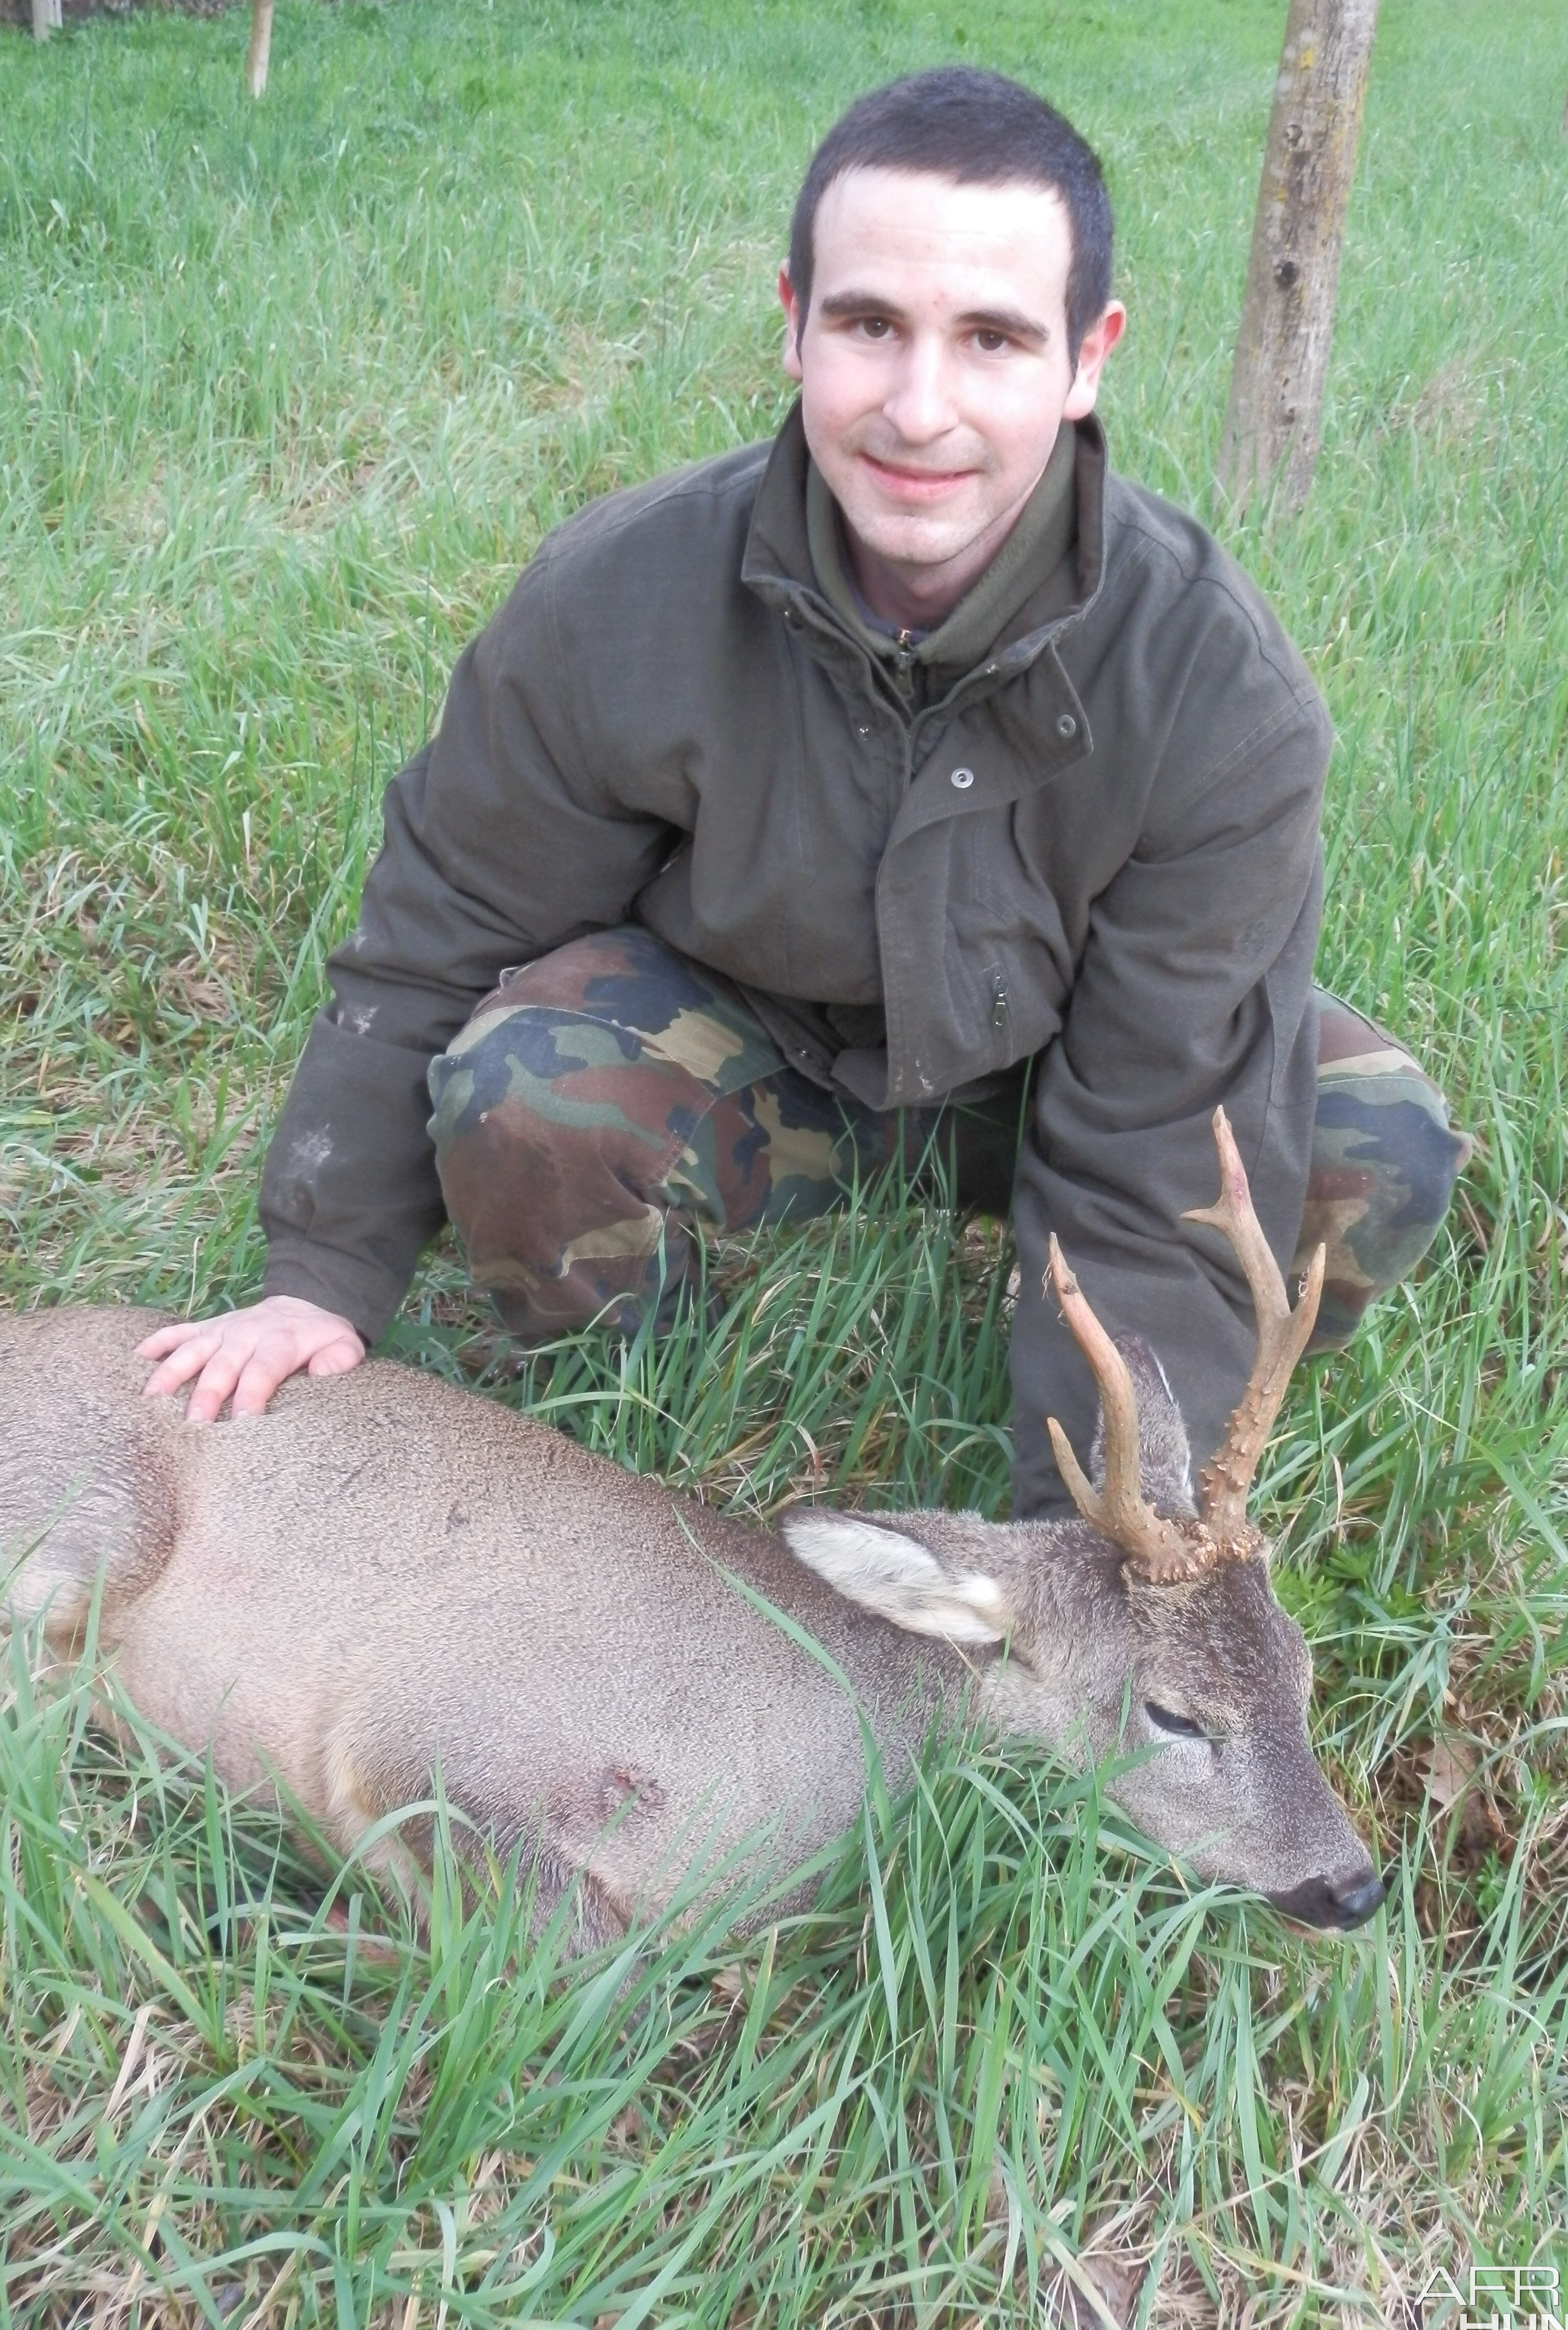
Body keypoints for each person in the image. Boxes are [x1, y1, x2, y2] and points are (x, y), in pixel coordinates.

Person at [138, 68, 1469, 1519]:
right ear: (792, 321)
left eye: (993, 340)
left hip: (1052, 1072)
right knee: (521, 1094)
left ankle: (1069, 1346)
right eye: (869, 326)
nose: (919, 408)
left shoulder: (1216, 689)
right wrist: (318, 1276)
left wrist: (1082, 1535)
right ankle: (656, 1388)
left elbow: (1165, 1131)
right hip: (755, 1048)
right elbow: (436, 925)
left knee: (1364, 1149)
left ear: (1088, 359)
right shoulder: (622, 595)